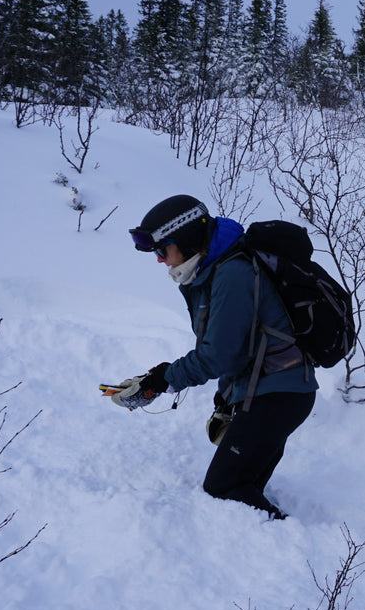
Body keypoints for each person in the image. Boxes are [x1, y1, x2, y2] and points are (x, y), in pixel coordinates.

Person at [106, 195, 317, 520]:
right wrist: (227, 399)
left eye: (163, 249)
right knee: (242, 490)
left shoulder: (233, 274)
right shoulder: (212, 273)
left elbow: (217, 355)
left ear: (189, 241)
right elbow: (240, 348)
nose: (160, 260)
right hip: (273, 393)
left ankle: (298, 550)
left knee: (225, 489)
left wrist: (162, 379)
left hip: (279, 395)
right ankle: (265, 548)